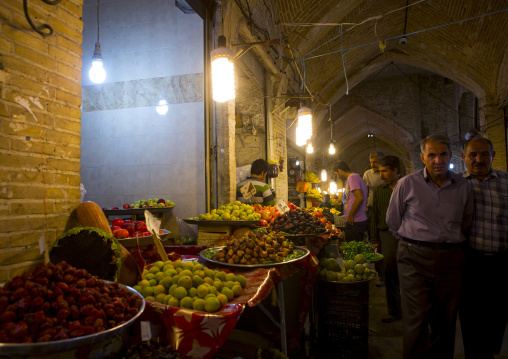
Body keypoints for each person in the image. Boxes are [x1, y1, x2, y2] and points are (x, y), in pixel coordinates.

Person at [386, 134, 473, 359]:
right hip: (413, 258)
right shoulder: (408, 184)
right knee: (416, 320)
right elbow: (393, 221)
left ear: (450, 156)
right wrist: (413, 241)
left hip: (450, 259)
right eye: (432, 155)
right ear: (423, 158)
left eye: (443, 154)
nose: (438, 160)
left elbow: (466, 220)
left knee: (445, 320)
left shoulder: (463, 186)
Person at [459, 135, 508, 359]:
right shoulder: (455, 185)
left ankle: (489, 350)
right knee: (470, 316)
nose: (478, 159)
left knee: (498, 314)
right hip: (469, 263)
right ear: (464, 158)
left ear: (493, 156)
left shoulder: (506, 181)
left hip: (501, 262)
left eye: (484, 154)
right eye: (473, 155)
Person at [372, 155, 402, 323]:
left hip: (407, 236)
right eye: (380, 172)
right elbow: (375, 215)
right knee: (390, 273)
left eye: (384, 172)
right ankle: (395, 311)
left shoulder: (406, 187)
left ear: (395, 170)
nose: (381, 176)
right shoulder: (379, 191)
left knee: (408, 274)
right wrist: (375, 239)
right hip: (386, 235)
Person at [364, 152, 386, 286]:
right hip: (371, 206)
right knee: (373, 236)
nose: (374, 164)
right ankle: (378, 271)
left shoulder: (384, 173)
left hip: (383, 205)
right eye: (372, 162)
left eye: (376, 161)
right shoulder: (368, 174)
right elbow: (365, 190)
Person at [333, 160, 368, 242]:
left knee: (354, 248)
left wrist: (350, 215)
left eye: (337, 174)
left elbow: (359, 197)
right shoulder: (353, 177)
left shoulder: (352, 177)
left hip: (356, 221)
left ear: (340, 171)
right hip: (354, 221)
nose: (338, 177)